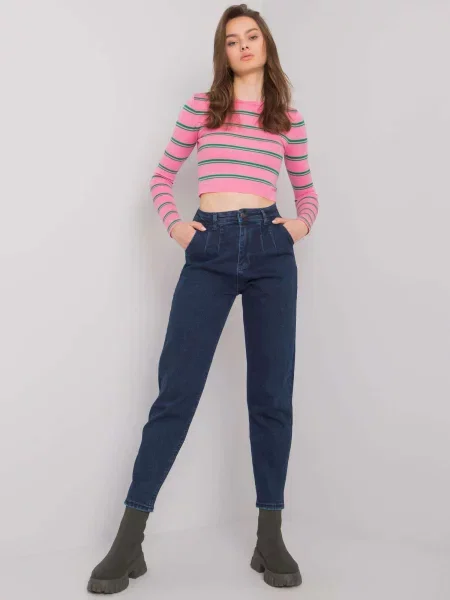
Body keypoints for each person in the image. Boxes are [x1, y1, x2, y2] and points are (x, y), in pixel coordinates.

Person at [87, 3, 319, 594]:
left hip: (270, 251)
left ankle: (270, 536)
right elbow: (161, 177)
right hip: (209, 248)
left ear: (266, 44)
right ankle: (130, 538)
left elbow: (307, 190)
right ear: (223, 52)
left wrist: (297, 226)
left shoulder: (286, 117)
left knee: (272, 396)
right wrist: (179, 229)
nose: (243, 45)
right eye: (232, 39)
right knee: (176, 393)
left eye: (252, 36)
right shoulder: (202, 107)